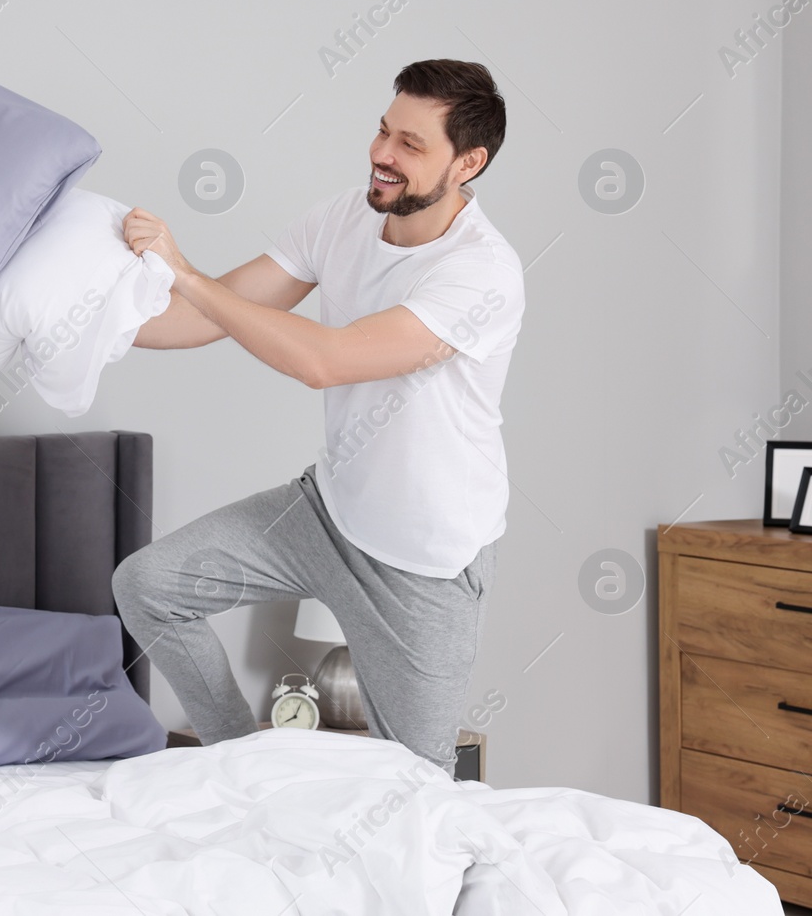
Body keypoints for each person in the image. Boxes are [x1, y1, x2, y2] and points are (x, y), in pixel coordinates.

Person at [112, 59, 522, 777]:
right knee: (147, 585)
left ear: (469, 162)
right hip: (327, 514)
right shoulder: (341, 218)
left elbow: (325, 360)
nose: (382, 154)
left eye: (411, 145)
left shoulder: (482, 271)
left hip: (424, 562)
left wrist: (188, 272)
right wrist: (62, 326)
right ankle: (246, 771)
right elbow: (202, 317)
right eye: (382, 131)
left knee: (417, 790)